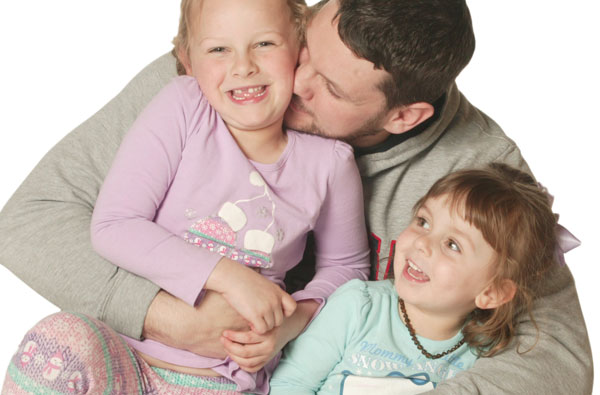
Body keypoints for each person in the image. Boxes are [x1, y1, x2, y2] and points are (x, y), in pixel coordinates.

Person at [0, 0, 592, 393]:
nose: (291, 81)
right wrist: (173, 317)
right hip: (137, 356)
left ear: (404, 115)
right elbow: (27, 222)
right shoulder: (225, 73)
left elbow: (558, 359)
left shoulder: (477, 175)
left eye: (329, 86)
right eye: (306, 44)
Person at [2, 0, 372, 393]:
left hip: (221, 378)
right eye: (218, 49)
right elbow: (115, 225)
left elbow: (347, 266)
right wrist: (230, 278)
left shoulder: (330, 164)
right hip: (119, 353)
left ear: (300, 50)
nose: (243, 66)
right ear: (188, 60)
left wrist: (295, 320)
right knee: (60, 335)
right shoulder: (182, 106)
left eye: (264, 43)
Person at [269, 163, 559, 393]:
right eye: (423, 222)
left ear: (492, 292)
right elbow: (290, 385)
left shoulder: (483, 354)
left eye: (452, 244)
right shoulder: (359, 306)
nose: (422, 242)